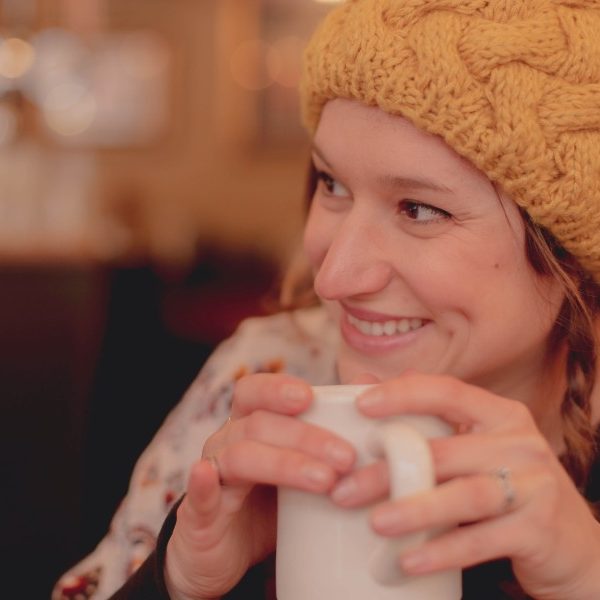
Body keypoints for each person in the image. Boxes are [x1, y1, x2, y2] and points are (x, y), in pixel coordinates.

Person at [53, 0, 600, 598]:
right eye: (332, 184)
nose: (333, 278)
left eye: (419, 209)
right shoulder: (265, 368)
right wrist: (179, 580)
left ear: (571, 258)